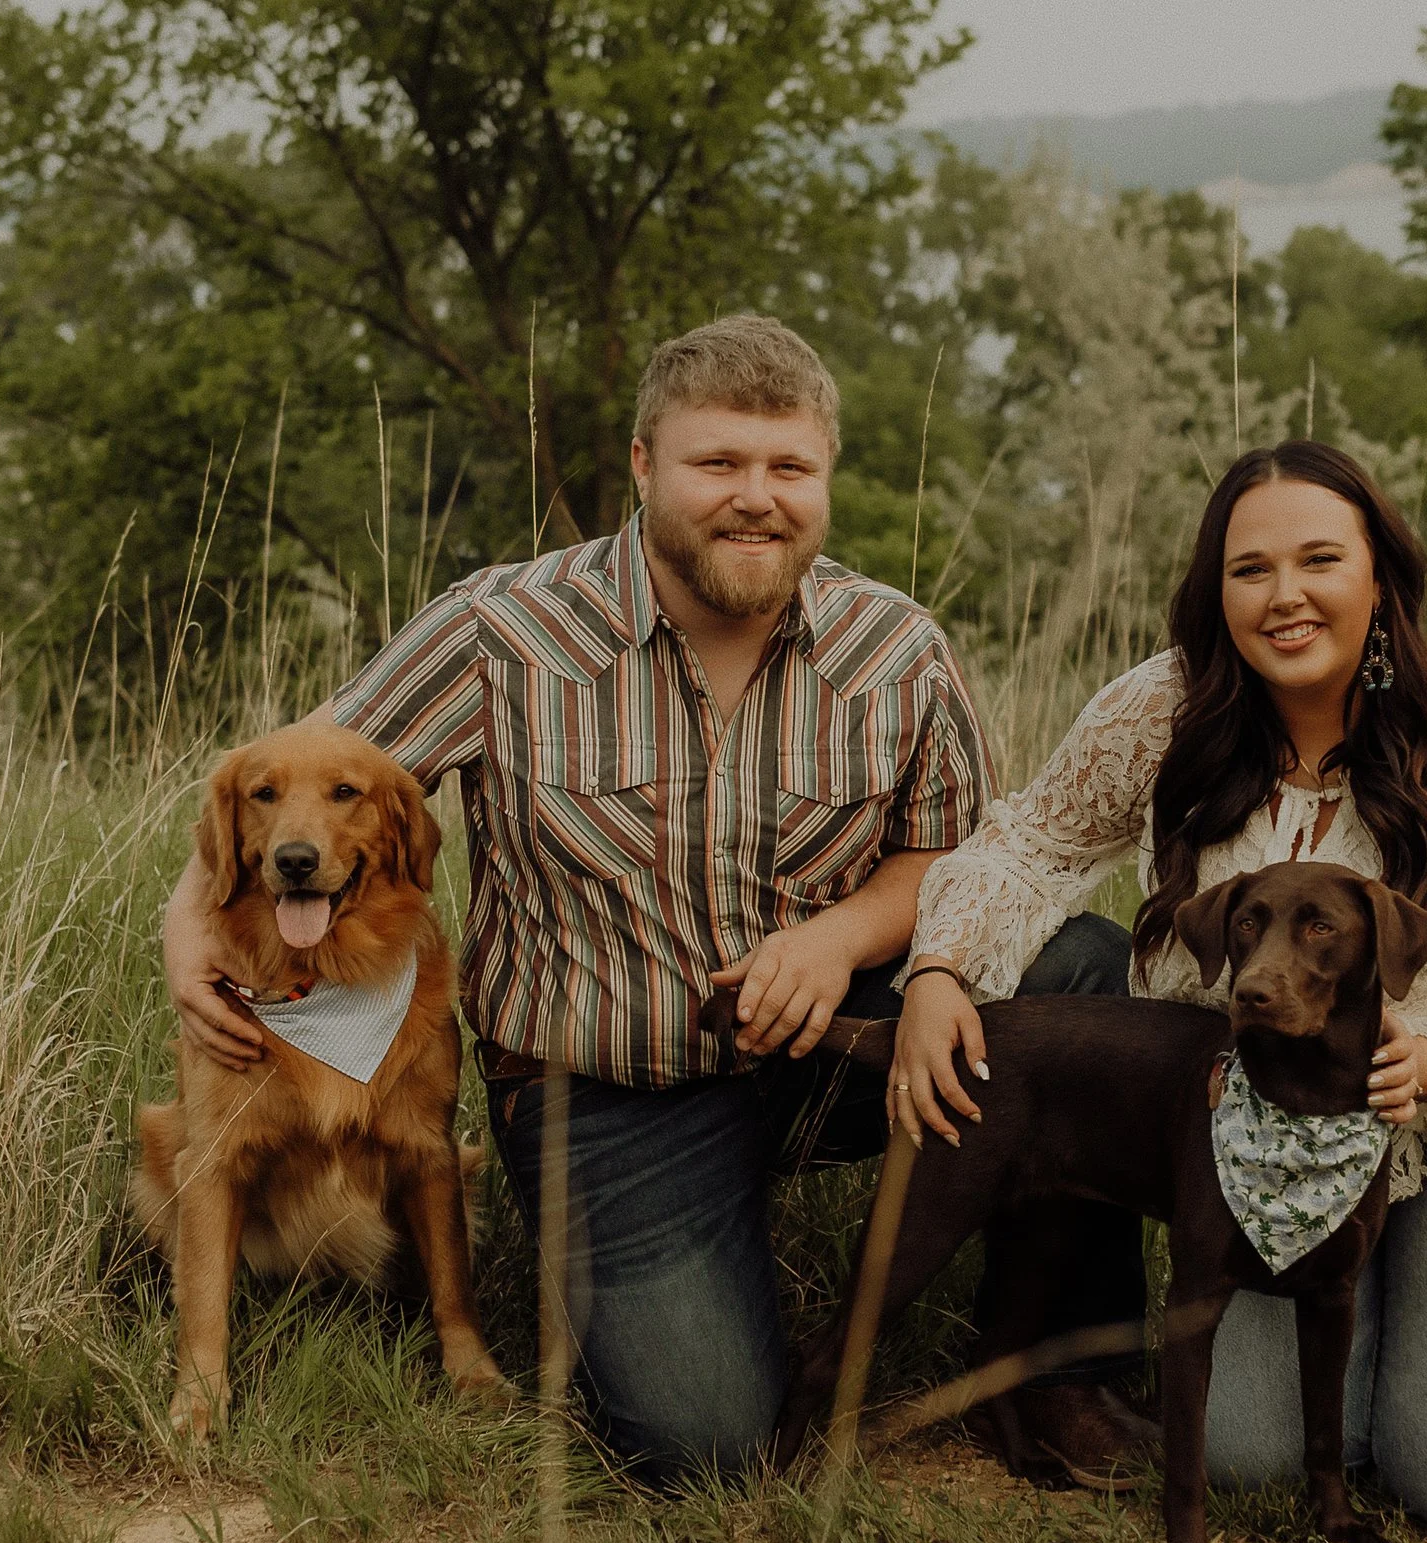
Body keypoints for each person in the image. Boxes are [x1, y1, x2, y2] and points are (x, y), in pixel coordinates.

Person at [160, 314, 1151, 1483]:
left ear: (825, 475)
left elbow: (954, 860)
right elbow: (300, 778)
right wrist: (185, 929)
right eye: (716, 462)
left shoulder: (896, 649)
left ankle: (1055, 1366)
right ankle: (679, 1287)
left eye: (789, 466)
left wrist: (836, 940)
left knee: (1076, 968)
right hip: (609, 1093)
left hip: (832, 1044)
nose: (756, 497)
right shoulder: (500, 629)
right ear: (643, 464)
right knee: (705, 1446)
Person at [892, 439, 1427, 1532]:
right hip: (1269, 1135)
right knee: (1247, 1457)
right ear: (1217, 590)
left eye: (1319, 560)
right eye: (1250, 569)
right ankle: (1390, 1334)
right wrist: (938, 967)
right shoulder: (1167, 710)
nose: (1284, 595)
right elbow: (1029, 846)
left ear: (1378, 579)